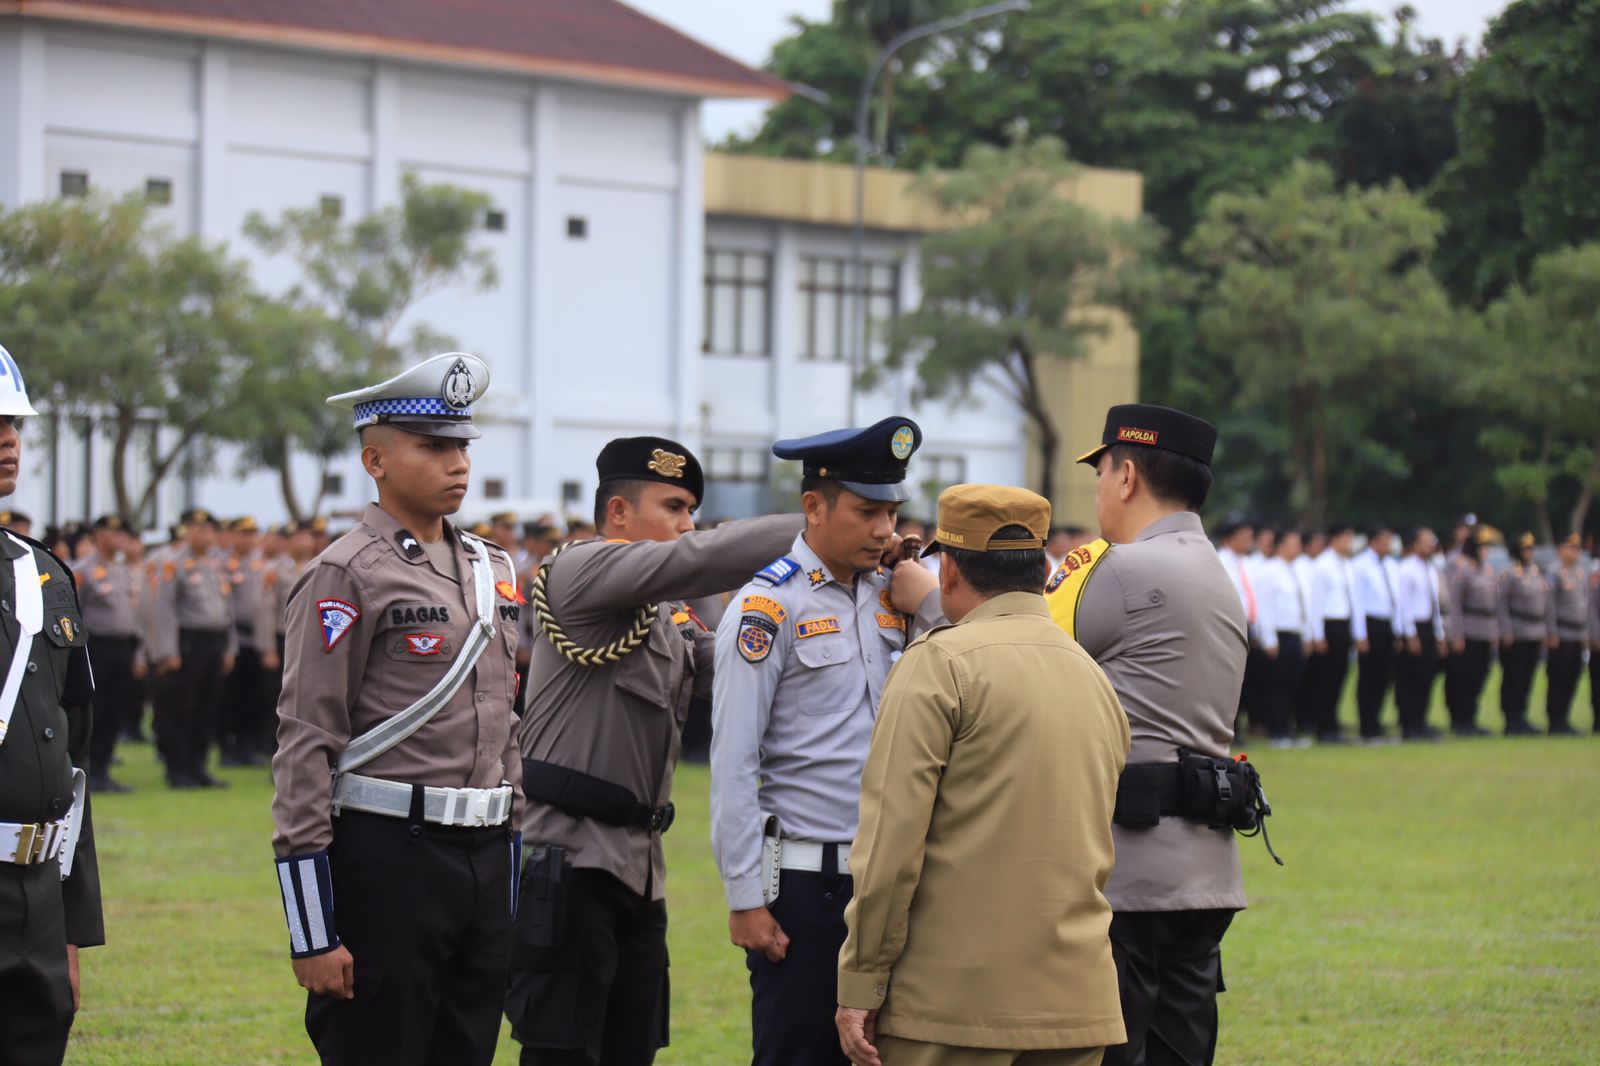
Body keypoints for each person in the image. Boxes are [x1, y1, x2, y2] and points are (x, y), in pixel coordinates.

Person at [506, 438, 801, 1066]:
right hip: (570, 864)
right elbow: (705, 558)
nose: (687, 524)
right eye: (674, 506)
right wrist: (824, 522)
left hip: (639, 869)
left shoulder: (661, 611)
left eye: (692, 509)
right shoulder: (579, 570)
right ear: (618, 513)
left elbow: (732, 661)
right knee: (563, 1052)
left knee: (630, 1049)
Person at [270, 353, 523, 1066]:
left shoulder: (490, 569)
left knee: (465, 1049)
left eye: (462, 446)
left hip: (482, 856)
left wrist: (509, 872)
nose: (457, 464)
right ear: (374, 459)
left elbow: (506, 727)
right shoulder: (346, 572)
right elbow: (304, 744)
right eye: (434, 447)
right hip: (388, 858)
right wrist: (312, 930)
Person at [835, 484, 1128, 1066]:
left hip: (952, 1006)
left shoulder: (939, 663)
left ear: (947, 572)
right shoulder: (1091, 675)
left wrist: (861, 980)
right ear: (1041, 569)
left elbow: (891, 846)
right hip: (1075, 1001)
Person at [711, 416, 941, 1066]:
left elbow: (972, 663)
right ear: (814, 506)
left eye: (892, 512)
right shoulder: (768, 607)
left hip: (893, 880)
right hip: (808, 891)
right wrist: (744, 897)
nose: (883, 530)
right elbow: (733, 760)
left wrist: (926, 606)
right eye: (867, 511)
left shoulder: (898, 591)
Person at [1044, 404, 1259, 1066]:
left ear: (1128, 475)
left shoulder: (1121, 568)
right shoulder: (1217, 570)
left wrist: (931, 598)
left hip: (1128, 872)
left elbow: (1015, 650)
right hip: (1203, 869)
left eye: (1102, 471)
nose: (1100, 487)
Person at [0, 345, 104, 1066]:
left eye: (14, 425)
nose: (8, 441)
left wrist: (70, 924)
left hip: (36, 893)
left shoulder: (41, 574)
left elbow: (75, 762)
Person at [149, 508, 236, 788]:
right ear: (186, 531)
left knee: (208, 708)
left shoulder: (216, 564)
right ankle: (178, 769)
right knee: (181, 708)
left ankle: (199, 767)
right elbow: (164, 609)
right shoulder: (173, 564)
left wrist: (229, 648)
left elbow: (227, 609)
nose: (204, 535)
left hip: (214, 641)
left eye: (209, 530)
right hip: (187, 642)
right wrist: (167, 651)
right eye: (197, 529)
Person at [70, 515, 145, 793]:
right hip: (96, 647)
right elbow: (74, 612)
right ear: (99, 535)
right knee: (96, 710)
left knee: (116, 709)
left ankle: (104, 768)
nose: (118, 539)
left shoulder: (126, 570)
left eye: (121, 534)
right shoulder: (82, 569)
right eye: (112, 533)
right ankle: (88, 770)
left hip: (123, 647)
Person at [221, 516, 270, 767]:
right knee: (231, 698)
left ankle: (248, 747)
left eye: (252, 534)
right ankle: (228, 749)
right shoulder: (224, 564)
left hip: (256, 640)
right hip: (235, 638)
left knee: (254, 697)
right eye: (244, 533)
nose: (249, 539)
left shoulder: (261, 564)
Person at [1350, 526, 1406, 743]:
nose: (1389, 546)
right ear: (1373, 542)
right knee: (1369, 677)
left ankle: (1377, 721)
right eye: (1384, 541)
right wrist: (1360, 634)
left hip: (1388, 624)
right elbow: (1358, 602)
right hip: (1371, 624)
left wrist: (1399, 631)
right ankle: (1367, 725)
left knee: (1385, 677)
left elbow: (1397, 601)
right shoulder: (1360, 565)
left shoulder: (1392, 565)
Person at [1254, 529, 1308, 748]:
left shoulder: (1296, 570)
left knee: (1292, 684)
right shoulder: (1269, 571)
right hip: (1279, 635)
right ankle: (1275, 730)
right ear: (1280, 546)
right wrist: (1269, 639)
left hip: (1295, 633)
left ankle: (1288, 728)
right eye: (1293, 543)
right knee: (1276, 685)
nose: (1298, 547)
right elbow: (1264, 607)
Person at [1443, 528, 1497, 737]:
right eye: (1482, 547)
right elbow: (1455, 604)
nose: (1485, 551)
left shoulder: (1486, 570)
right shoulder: (1462, 570)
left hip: (1485, 629)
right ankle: (1460, 719)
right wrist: (1456, 634)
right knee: (1464, 676)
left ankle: (1471, 718)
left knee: (1480, 675)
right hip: (1468, 629)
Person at [1393, 528, 1445, 741]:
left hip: (1429, 625)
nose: (1431, 546)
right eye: (1426, 542)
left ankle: (1421, 721)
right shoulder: (1406, 569)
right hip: (1413, 627)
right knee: (1410, 679)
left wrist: (1439, 633)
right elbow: (1403, 605)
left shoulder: (1430, 570)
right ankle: (1409, 724)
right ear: (1415, 545)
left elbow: (1436, 605)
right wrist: (1410, 634)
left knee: (1427, 677)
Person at [1497, 533, 1547, 736]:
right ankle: (1512, 718)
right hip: (1516, 631)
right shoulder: (1509, 574)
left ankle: (1522, 717)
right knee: (1513, 677)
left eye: (1531, 549)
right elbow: (1501, 605)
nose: (1529, 553)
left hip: (1534, 631)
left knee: (1527, 676)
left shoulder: (1537, 572)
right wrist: (1506, 631)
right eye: (1525, 549)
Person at [1543, 534, 1588, 736]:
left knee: (1573, 676)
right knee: (1559, 678)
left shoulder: (1580, 573)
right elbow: (1549, 606)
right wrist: (1551, 632)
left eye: (1577, 548)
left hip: (1578, 633)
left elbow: (1585, 606)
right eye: (1571, 548)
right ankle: (1556, 720)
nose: (1575, 552)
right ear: (1561, 550)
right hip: (1561, 633)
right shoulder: (1554, 573)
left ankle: (1565, 719)